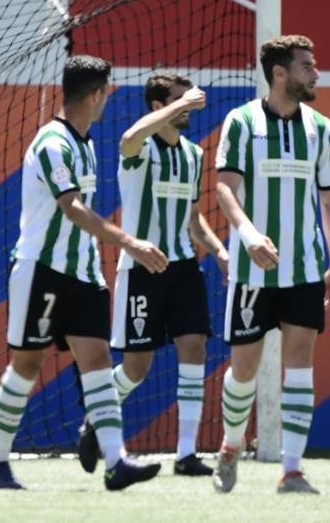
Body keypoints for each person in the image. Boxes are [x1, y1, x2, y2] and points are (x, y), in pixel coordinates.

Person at [0, 55, 169, 491]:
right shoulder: (53, 141)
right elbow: (73, 208)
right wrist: (131, 243)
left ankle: (115, 462)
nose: (109, 97)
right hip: (42, 270)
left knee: (99, 361)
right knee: (27, 364)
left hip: (83, 275)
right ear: (96, 94)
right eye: (108, 89)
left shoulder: (85, 143)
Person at [76, 72, 229, 477]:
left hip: (183, 267)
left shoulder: (193, 156)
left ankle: (185, 454)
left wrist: (219, 251)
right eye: (177, 100)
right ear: (158, 107)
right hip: (142, 269)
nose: (189, 106)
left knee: (195, 348)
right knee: (136, 368)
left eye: (188, 99)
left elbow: (194, 220)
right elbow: (128, 137)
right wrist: (182, 103)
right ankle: (97, 413)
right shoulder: (140, 150)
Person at [210, 34, 330, 495]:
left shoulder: (321, 128)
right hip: (252, 272)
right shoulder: (241, 122)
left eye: (314, 64)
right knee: (243, 369)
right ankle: (230, 447)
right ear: (279, 73)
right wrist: (247, 235)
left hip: (305, 270)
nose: (316, 73)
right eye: (307, 65)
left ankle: (292, 470)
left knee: (300, 363)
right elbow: (225, 187)